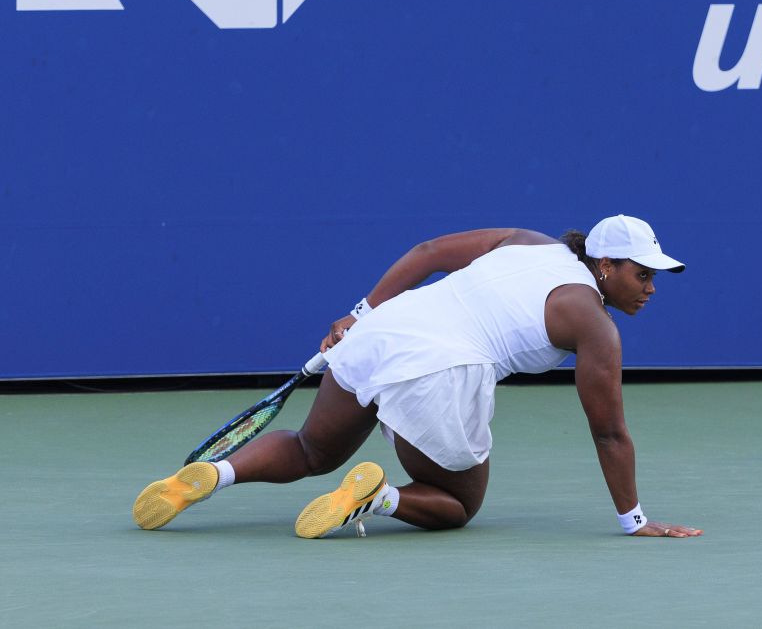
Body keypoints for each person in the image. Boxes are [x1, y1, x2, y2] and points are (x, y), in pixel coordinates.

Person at [132, 214, 703, 539]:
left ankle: (215, 473)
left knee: (312, 448)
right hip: (443, 369)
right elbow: (608, 432)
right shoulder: (595, 324)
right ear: (605, 265)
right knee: (457, 506)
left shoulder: (528, 242)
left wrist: (361, 314)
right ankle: (377, 497)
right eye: (642, 272)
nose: (651, 285)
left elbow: (429, 251)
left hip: (388, 329)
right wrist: (634, 520)